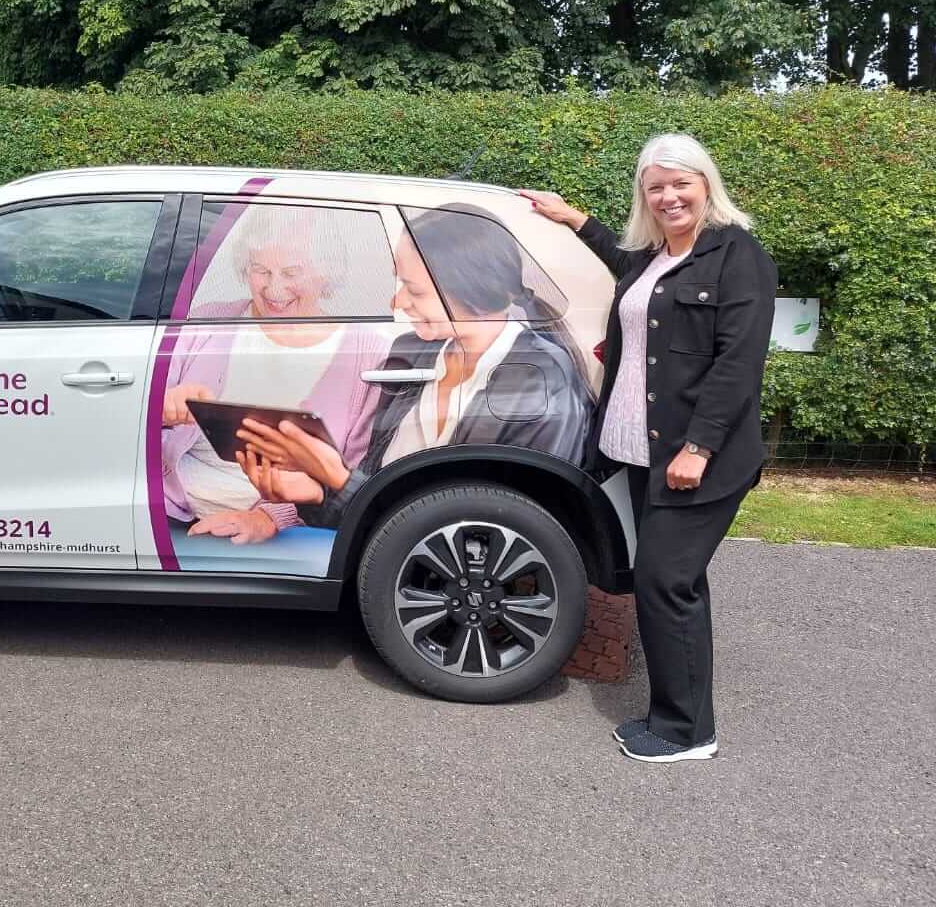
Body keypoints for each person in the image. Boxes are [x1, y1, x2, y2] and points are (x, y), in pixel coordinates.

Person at [519, 133, 777, 764]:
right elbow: (619, 255)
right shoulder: (654, 257)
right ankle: (681, 716)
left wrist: (700, 448)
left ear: (706, 184)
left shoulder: (737, 255)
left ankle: (686, 732)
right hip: (639, 449)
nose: (669, 196)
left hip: (694, 458)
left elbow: (737, 366)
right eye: (656, 186)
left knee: (666, 581)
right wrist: (573, 216)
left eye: (680, 183)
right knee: (673, 581)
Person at [235, 205, 593, 527]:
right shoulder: (410, 355)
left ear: (474, 289)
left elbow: (498, 526)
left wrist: (339, 480)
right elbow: (372, 506)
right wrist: (316, 493)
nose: (398, 301)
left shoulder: (542, 380)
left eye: (414, 290)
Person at [160, 205, 390, 544]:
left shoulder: (368, 352)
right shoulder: (205, 322)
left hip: (286, 536)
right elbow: (135, 422)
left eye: (291, 272)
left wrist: (269, 518)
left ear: (326, 273)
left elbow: (355, 476)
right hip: (171, 516)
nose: (273, 288)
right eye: (260, 270)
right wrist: (162, 409)